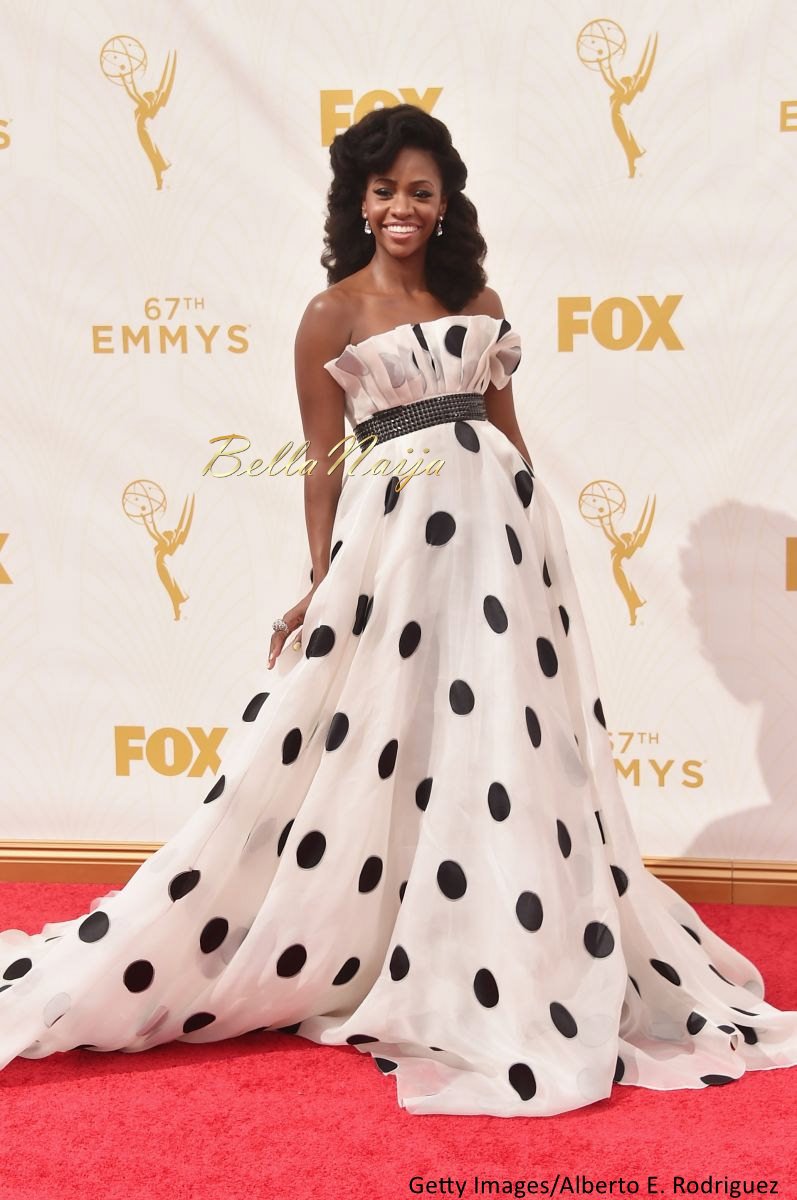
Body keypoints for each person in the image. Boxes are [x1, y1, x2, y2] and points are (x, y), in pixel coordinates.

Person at [1, 104, 796, 1118]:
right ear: (357, 202)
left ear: (444, 199)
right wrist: (320, 578)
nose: (401, 209)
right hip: (396, 551)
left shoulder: (478, 297)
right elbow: (323, 468)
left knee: (502, 742)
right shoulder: (331, 314)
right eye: (383, 191)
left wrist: (540, 558)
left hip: (500, 547)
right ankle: (353, 941)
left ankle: (513, 947)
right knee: (384, 733)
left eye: (419, 190)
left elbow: (511, 443)